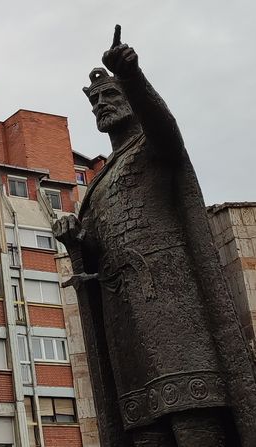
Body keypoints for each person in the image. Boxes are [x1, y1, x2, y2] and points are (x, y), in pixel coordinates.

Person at [54, 27, 256, 446]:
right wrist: (75, 238)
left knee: (194, 426)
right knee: (144, 432)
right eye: (95, 103)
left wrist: (131, 75)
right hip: (127, 335)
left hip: (180, 326)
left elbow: (164, 123)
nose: (102, 107)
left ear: (130, 99)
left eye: (109, 97)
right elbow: (97, 251)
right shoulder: (95, 185)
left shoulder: (154, 147)